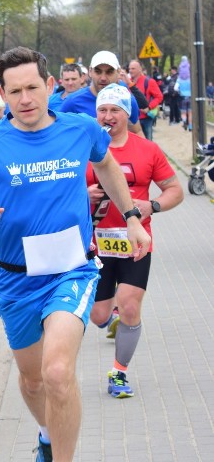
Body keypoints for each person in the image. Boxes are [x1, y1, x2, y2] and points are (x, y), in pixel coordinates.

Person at [0, 47, 150, 462]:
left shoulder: (80, 129)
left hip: (71, 271)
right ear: (3, 93)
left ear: (49, 86)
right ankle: (46, 435)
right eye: (15, 91)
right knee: (33, 381)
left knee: (57, 373)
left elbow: (105, 164)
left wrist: (130, 215)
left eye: (33, 87)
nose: (26, 99)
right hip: (16, 279)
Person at [85, 84, 183, 398]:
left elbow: (175, 191)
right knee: (99, 316)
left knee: (129, 307)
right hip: (96, 244)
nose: (108, 116)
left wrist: (151, 205)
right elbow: (59, 191)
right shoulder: (82, 148)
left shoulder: (147, 150)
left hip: (135, 243)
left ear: (128, 114)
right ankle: (110, 313)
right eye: (103, 110)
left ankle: (119, 373)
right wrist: (82, 194)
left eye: (115, 110)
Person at [60, 51, 144, 136]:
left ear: (118, 72)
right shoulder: (72, 101)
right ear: (90, 71)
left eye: (109, 72)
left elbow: (137, 132)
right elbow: (58, 134)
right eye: (98, 72)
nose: (103, 78)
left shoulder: (127, 100)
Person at [128, 60, 163, 141]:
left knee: (147, 141)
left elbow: (159, 97)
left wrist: (149, 107)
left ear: (140, 69)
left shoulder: (149, 81)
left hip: (145, 118)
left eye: (133, 68)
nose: (130, 71)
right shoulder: (127, 82)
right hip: (131, 119)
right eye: (129, 69)